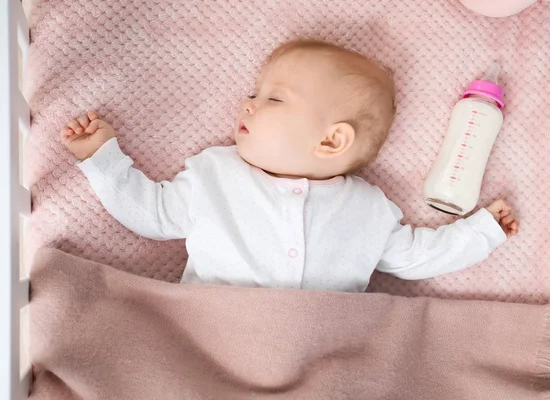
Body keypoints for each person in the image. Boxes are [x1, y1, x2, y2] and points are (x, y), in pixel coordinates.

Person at [59, 39, 518, 292]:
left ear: (332, 139)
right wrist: (102, 158)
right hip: (213, 339)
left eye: (273, 98)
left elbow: (417, 255)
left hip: (318, 351)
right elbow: (152, 214)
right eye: (255, 93)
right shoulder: (214, 175)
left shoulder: (367, 209)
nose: (248, 103)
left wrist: (480, 232)